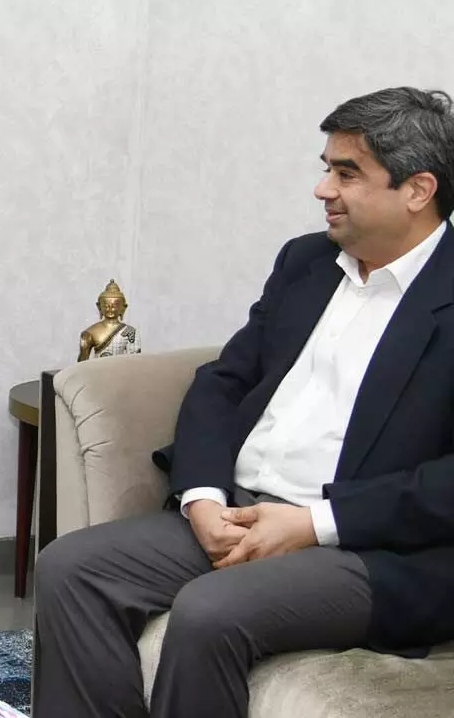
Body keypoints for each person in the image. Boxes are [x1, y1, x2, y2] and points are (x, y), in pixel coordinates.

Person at [33, 86, 454, 718]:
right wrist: (201, 497)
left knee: (208, 611)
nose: (323, 190)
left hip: (372, 550)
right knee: (71, 567)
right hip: (240, 512)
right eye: (326, 169)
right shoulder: (307, 261)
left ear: (417, 190)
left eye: (347, 173)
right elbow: (222, 382)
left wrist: (313, 525)